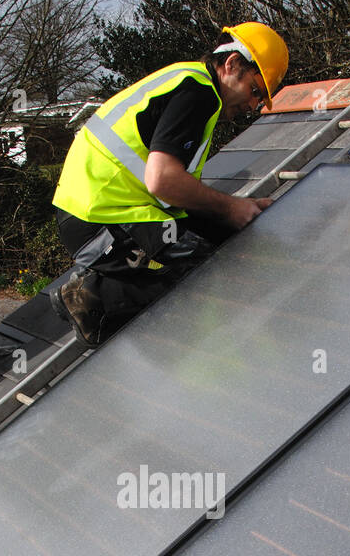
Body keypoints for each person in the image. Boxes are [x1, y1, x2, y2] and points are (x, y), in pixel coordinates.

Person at [50, 22, 290, 346]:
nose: (252, 105)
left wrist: (236, 213)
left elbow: (178, 193)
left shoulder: (190, 82)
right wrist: (231, 208)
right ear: (232, 64)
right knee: (202, 268)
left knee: (224, 238)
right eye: (255, 90)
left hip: (107, 210)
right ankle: (90, 299)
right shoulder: (199, 92)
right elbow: (162, 179)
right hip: (99, 219)